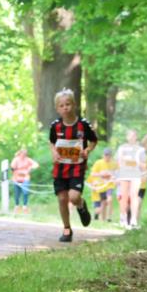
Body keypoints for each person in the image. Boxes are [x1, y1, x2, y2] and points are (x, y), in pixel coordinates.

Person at [48, 88, 97, 242]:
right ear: (57, 108)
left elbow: (94, 140)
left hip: (77, 166)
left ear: (74, 105)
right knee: (62, 199)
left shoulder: (83, 124)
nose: (65, 108)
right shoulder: (55, 126)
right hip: (60, 167)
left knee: (73, 197)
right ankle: (67, 229)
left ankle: (81, 205)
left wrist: (87, 150)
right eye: (61, 105)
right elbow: (51, 142)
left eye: (68, 104)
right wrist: (54, 152)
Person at [115, 129, 146, 229]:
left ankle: (133, 219)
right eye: (130, 136)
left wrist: (136, 162)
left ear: (136, 137)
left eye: (134, 136)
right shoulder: (121, 148)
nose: (132, 138)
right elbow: (119, 163)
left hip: (136, 175)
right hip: (124, 174)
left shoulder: (140, 149)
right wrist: (118, 176)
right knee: (124, 196)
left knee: (134, 195)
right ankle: (123, 218)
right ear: (127, 137)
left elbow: (144, 165)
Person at [87, 148, 117, 222]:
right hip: (100, 186)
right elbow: (92, 174)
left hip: (109, 185)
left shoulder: (114, 163)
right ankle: (100, 218)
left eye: (109, 155)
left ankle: (108, 218)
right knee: (101, 206)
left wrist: (114, 176)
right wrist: (101, 174)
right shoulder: (98, 163)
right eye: (106, 155)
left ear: (111, 156)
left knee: (109, 200)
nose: (107, 157)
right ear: (103, 155)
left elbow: (118, 173)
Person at [10, 147, 40, 214]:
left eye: (25, 154)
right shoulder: (16, 159)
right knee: (17, 194)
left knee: (25, 192)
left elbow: (36, 165)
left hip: (25, 178)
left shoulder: (28, 159)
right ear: (20, 153)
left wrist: (31, 167)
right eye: (23, 154)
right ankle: (17, 206)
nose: (24, 155)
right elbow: (12, 167)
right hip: (16, 178)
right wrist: (16, 171)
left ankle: (25, 207)